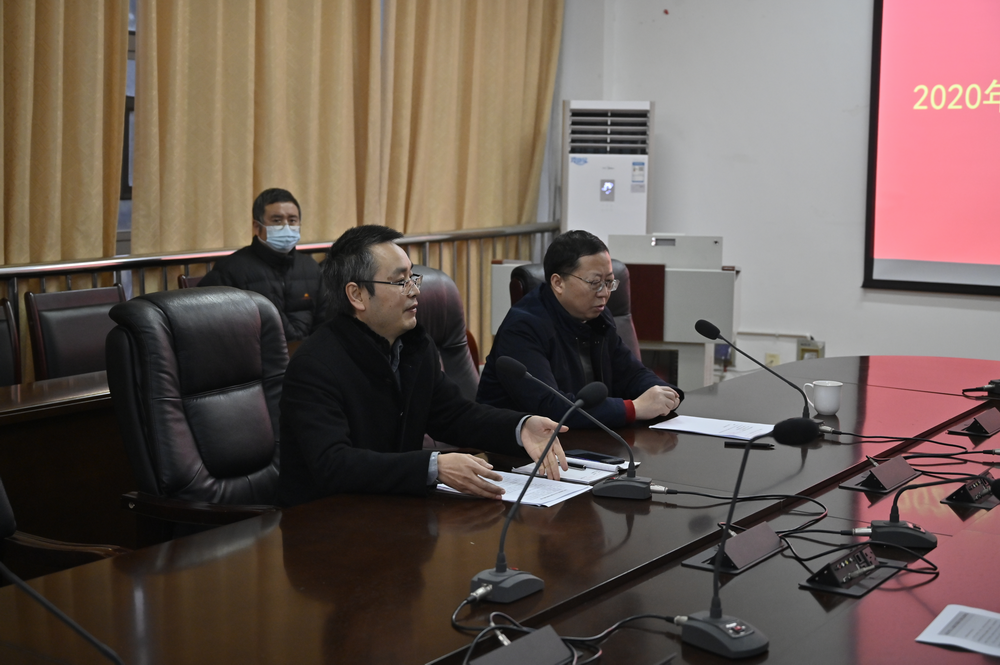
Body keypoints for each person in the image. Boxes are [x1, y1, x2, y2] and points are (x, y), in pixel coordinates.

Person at [276, 225, 568, 507]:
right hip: (324, 521)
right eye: (400, 281)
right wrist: (433, 467)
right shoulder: (315, 366)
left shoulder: (413, 346)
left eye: (413, 277)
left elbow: (454, 416)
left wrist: (520, 427)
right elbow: (333, 464)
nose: (415, 290)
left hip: (393, 510)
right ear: (357, 295)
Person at [477, 230, 683, 429]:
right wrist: (634, 408)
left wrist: (664, 394)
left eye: (609, 282)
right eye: (595, 283)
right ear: (558, 283)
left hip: (585, 438)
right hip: (516, 446)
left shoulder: (598, 317)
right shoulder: (522, 328)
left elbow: (631, 373)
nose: (604, 293)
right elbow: (550, 407)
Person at [200, 188, 325, 342]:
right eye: (277, 221)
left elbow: (325, 319)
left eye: (292, 220)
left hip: (307, 353)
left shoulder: (311, 268)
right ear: (256, 226)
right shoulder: (231, 269)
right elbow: (212, 324)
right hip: (255, 354)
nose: (286, 227)